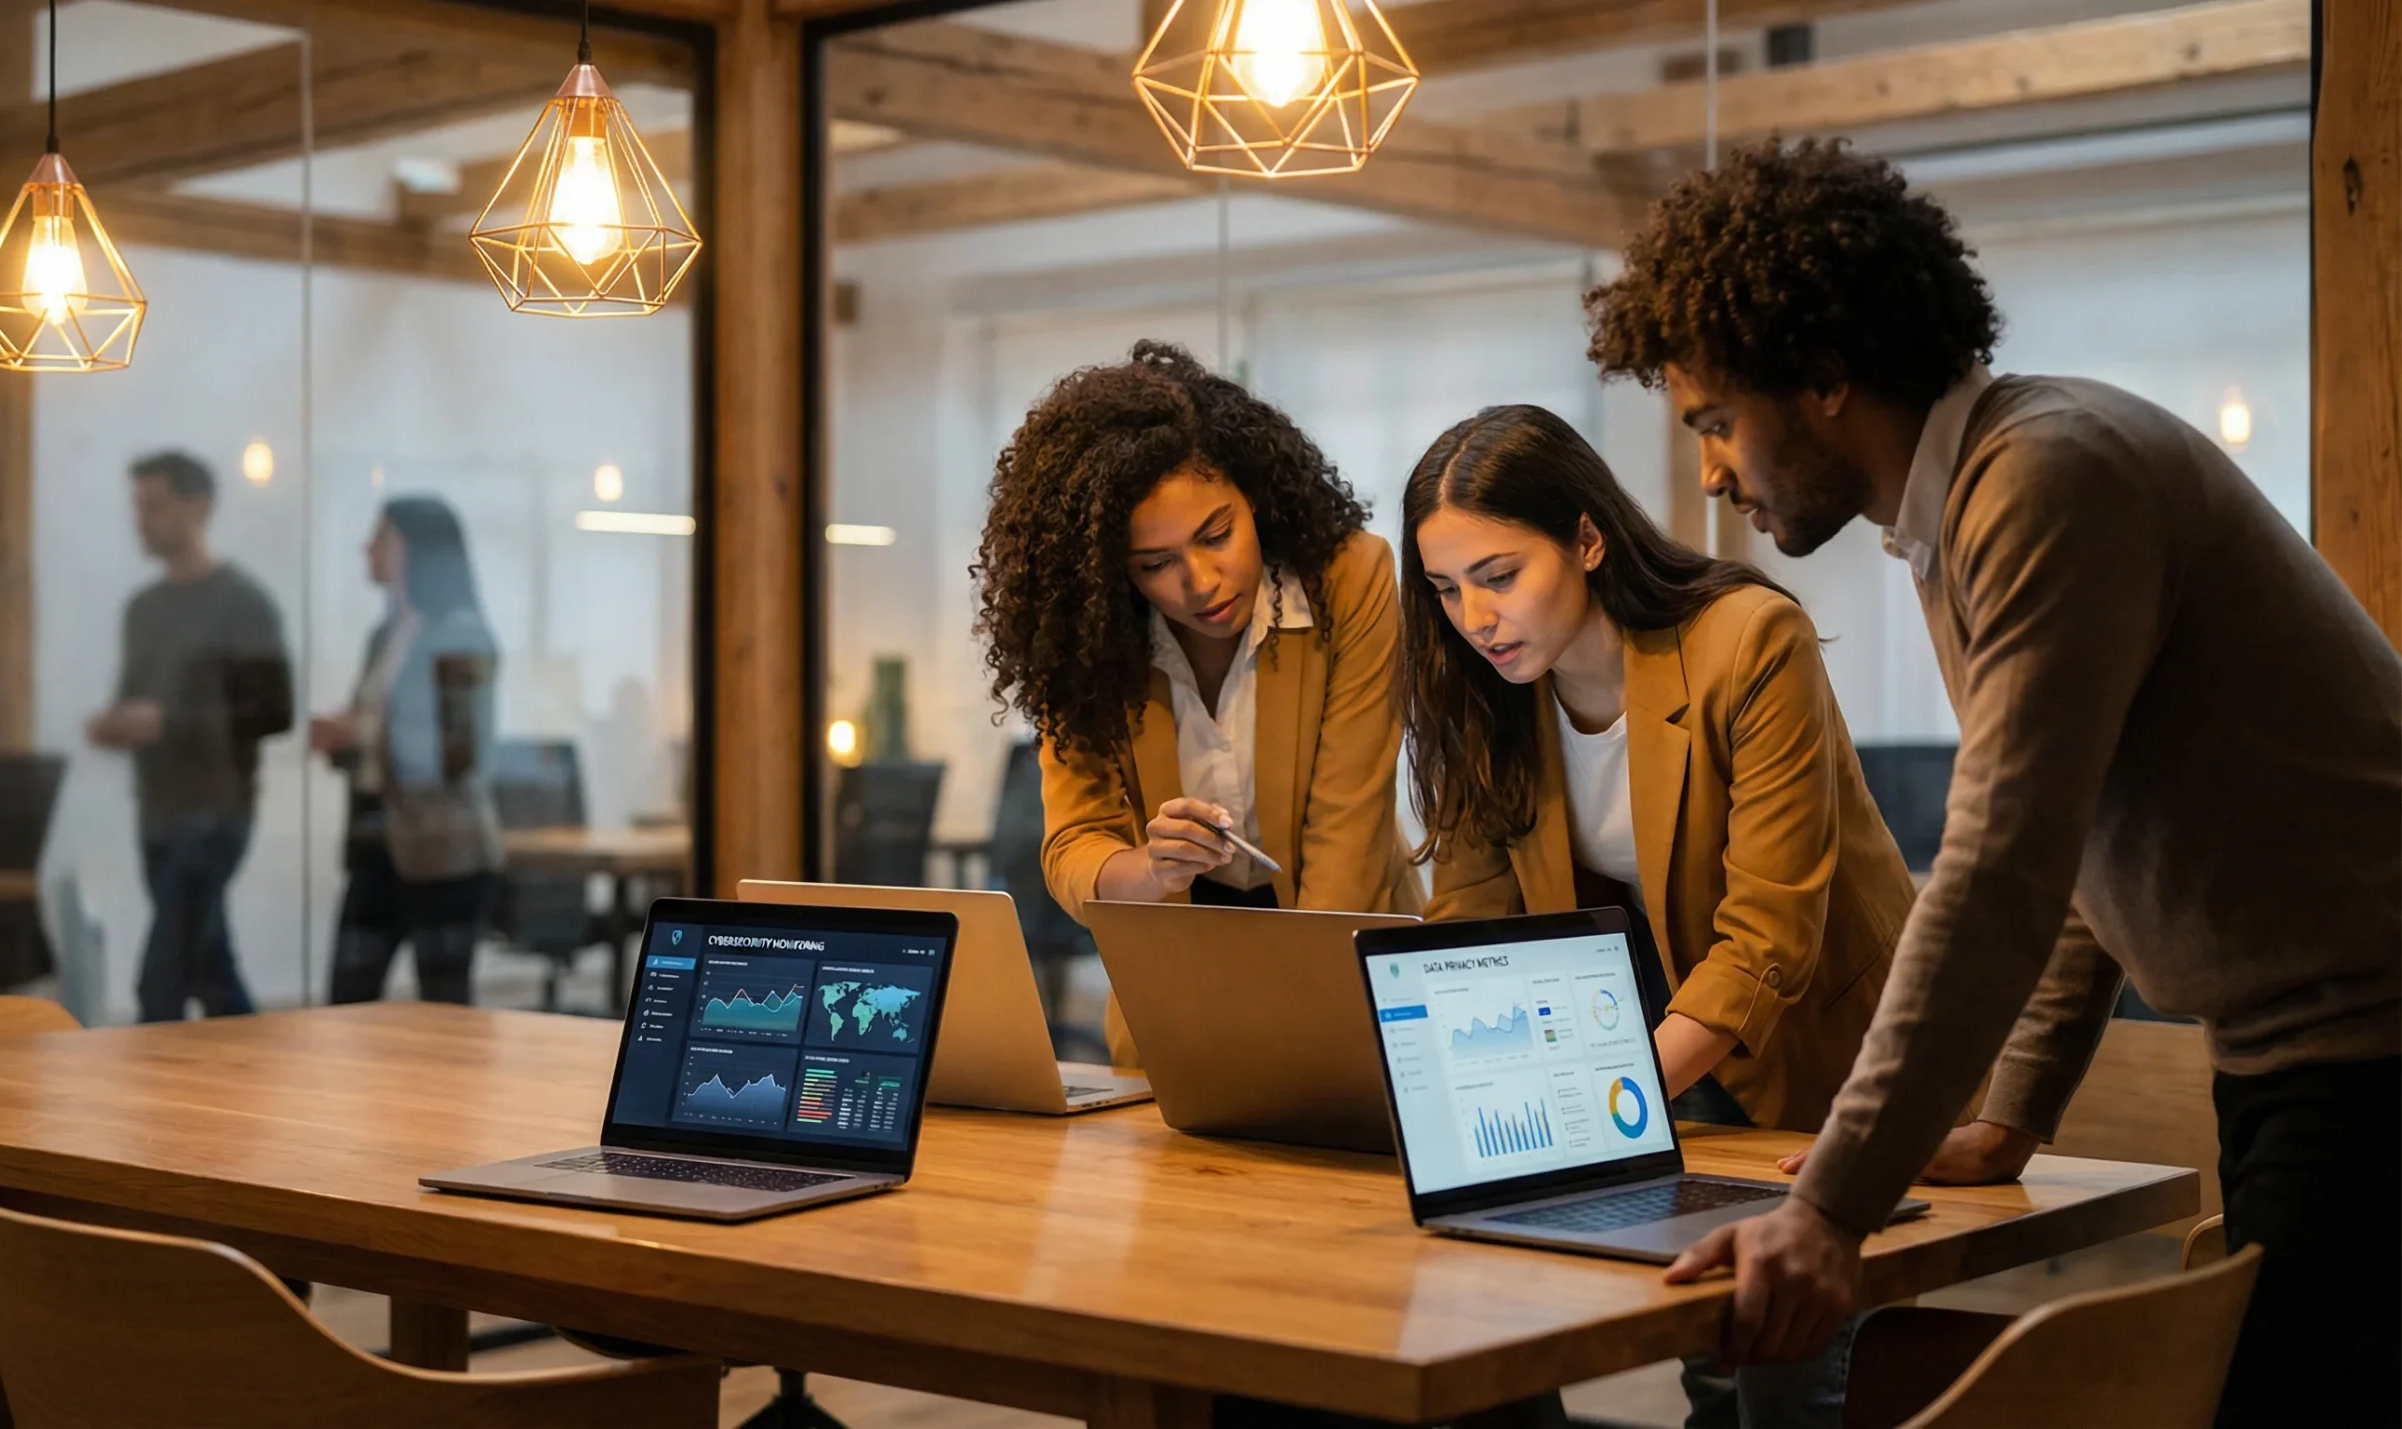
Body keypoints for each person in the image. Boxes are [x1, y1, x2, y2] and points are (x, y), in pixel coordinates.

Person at [1582, 137, 2401, 1427]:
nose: (1710, 474)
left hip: (2368, 1055)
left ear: (1826, 376)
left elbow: (2000, 867)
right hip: (2303, 1054)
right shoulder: (1969, 504)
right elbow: (2078, 842)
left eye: (1716, 422)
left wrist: (1832, 1205)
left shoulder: (2044, 480)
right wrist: (2008, 1118)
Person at [1404, 404, 1918, 1429]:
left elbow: (1767, 938)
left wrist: (1600, 1101)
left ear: (1587, 540)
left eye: (1499, 575)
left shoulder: (1747, 640)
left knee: (1791, 1377)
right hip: (1654, 1042)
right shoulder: (1483, 695)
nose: (1474, 616)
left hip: (1815, 1044)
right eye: (1446, 588)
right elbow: (1473, 933)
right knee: (1710, 1359)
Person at [972, 340, 1422, 1068]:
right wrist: (1150, 869)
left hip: (1343, 948)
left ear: (1255, 499)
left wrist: (1308, 1035)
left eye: (1217, 535)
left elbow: (1348, 829)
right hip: (1175, 972)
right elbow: (1073, 845)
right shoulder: (1083, 637)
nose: (1202, 581)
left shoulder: (1349, 581)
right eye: (1156, 564)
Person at [86, 451, 293, 1023]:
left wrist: (170, 722)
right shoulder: (143, 610)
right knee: (209, 967)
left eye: (153, 506)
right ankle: (259, 1068)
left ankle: (155, 1083)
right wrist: (115, 725)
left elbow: (272, 711)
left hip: (215, 812)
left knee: (162, 979)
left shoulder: (244, 604)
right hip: (157, 811)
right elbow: (136, 699)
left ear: (197, 508)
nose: (141, 520)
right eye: (138, 507)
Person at [311, 497, 504, 1006]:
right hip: (377, 840)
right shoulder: (383, 637)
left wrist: (363, 732)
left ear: (419, 550)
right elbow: (376, 743)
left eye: (382, 537)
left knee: (444, 1005)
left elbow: (459, 752)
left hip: (444, 850)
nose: (367, 548)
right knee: (348, 998)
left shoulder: (463, 634)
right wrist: (340, 738)